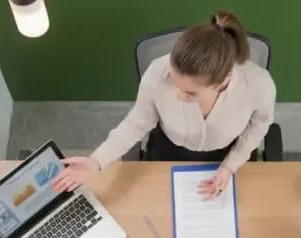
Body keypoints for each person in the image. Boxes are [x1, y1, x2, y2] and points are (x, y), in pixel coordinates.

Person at [52, 11, 276, 200]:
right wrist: (96, 161)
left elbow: (258, 127)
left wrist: (229, 166)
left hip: (227, 152)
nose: (178, 96)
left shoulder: (259, 85)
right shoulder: (157, 72)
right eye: (172, 78)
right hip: (168, 148)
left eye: (190, 93)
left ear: (223, 81)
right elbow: (136, 124)